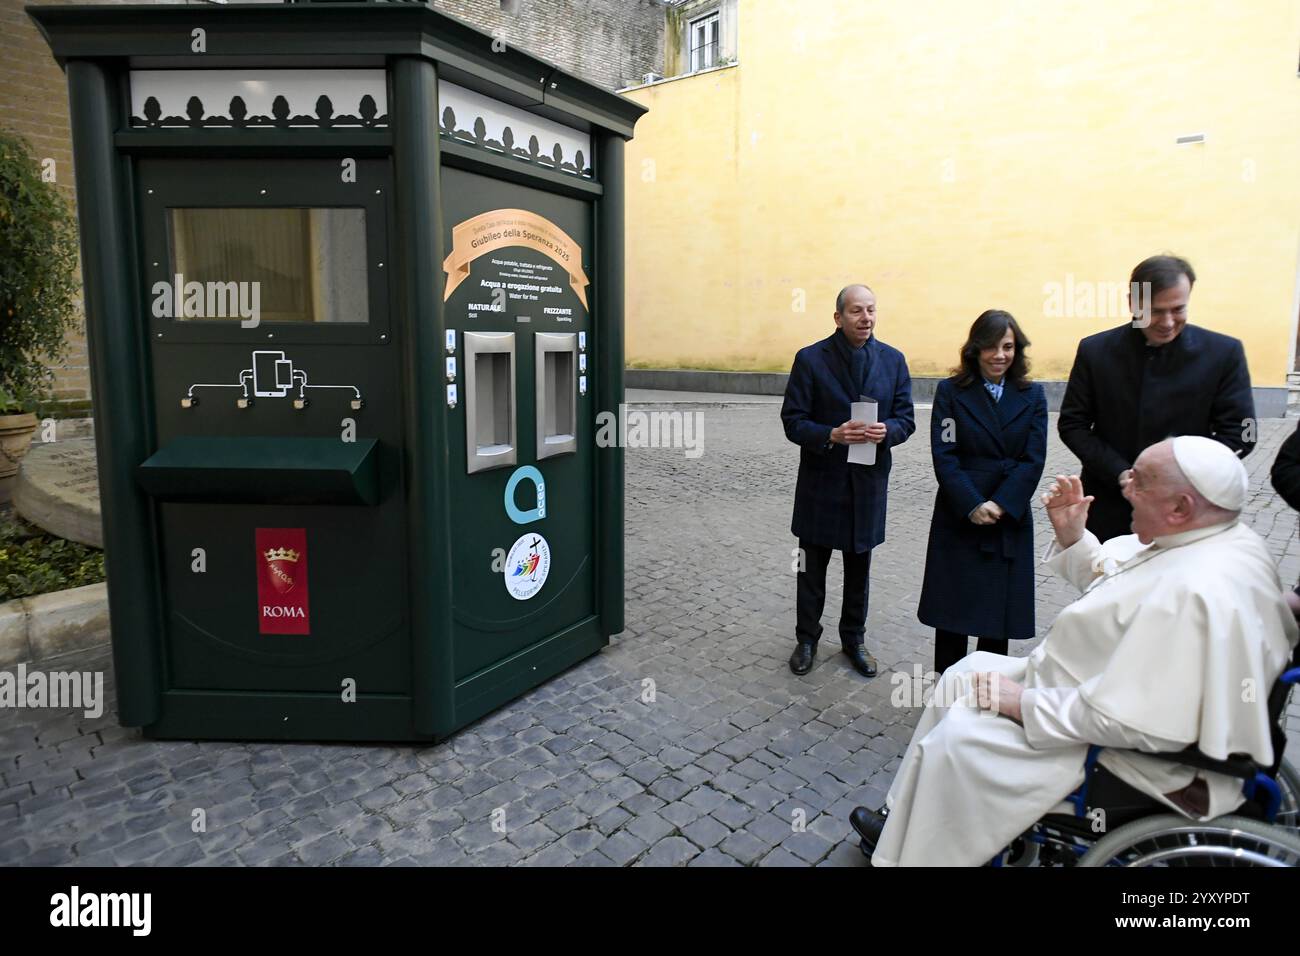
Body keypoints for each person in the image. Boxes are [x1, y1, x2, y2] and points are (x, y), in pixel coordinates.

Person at [849, 436, 1297, 866]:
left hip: (1130, 756)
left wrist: (1020, 702)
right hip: (1088, 694)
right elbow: (1122, 590)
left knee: (958, 742)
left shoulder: (1202, 588)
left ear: (1181, 508)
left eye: (1140, 481)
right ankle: (901, 823)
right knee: (963, 673)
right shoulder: (1212, 539)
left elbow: (1128, 721)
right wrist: (1074, 539)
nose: (1125, 487)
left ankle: (923, 854)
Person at [1058, 255, 1256, 542]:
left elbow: (1244, 432)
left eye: (1178, 309)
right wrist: (1120, 472)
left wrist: (1182, 478)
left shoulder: (1224, 353)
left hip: (1187, 509)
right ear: (1133, 303)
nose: (1167, 322)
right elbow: (1072, 425)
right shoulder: (1095, 351)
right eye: (1155, 311)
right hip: (1110, 506)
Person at [780, 284, 915, 678]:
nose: (866, 318)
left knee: (860, 568)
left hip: (867, 483)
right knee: (812, 567)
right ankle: (807, 638)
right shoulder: (810, 359)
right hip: (822, 481)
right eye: (857, 311)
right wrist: (831, 435)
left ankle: (853, 638)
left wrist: (887, 430)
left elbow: (907, 418)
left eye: (871, 310)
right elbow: (793, 420)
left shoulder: (893, 360)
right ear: (838, 318)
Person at [917, 311, 1048, 674]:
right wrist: (972, 503)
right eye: (990, 347)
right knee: (953, 615)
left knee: (996, 619)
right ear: (975, 350)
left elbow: (1033, 459)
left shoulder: (1033, 396)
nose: (999, 355)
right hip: (960, 517)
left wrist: (1003, 503)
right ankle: (946, 695)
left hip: (1008, 519)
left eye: (1007, 346)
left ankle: (988, 698)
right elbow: (944, 454)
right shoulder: (949, 393)